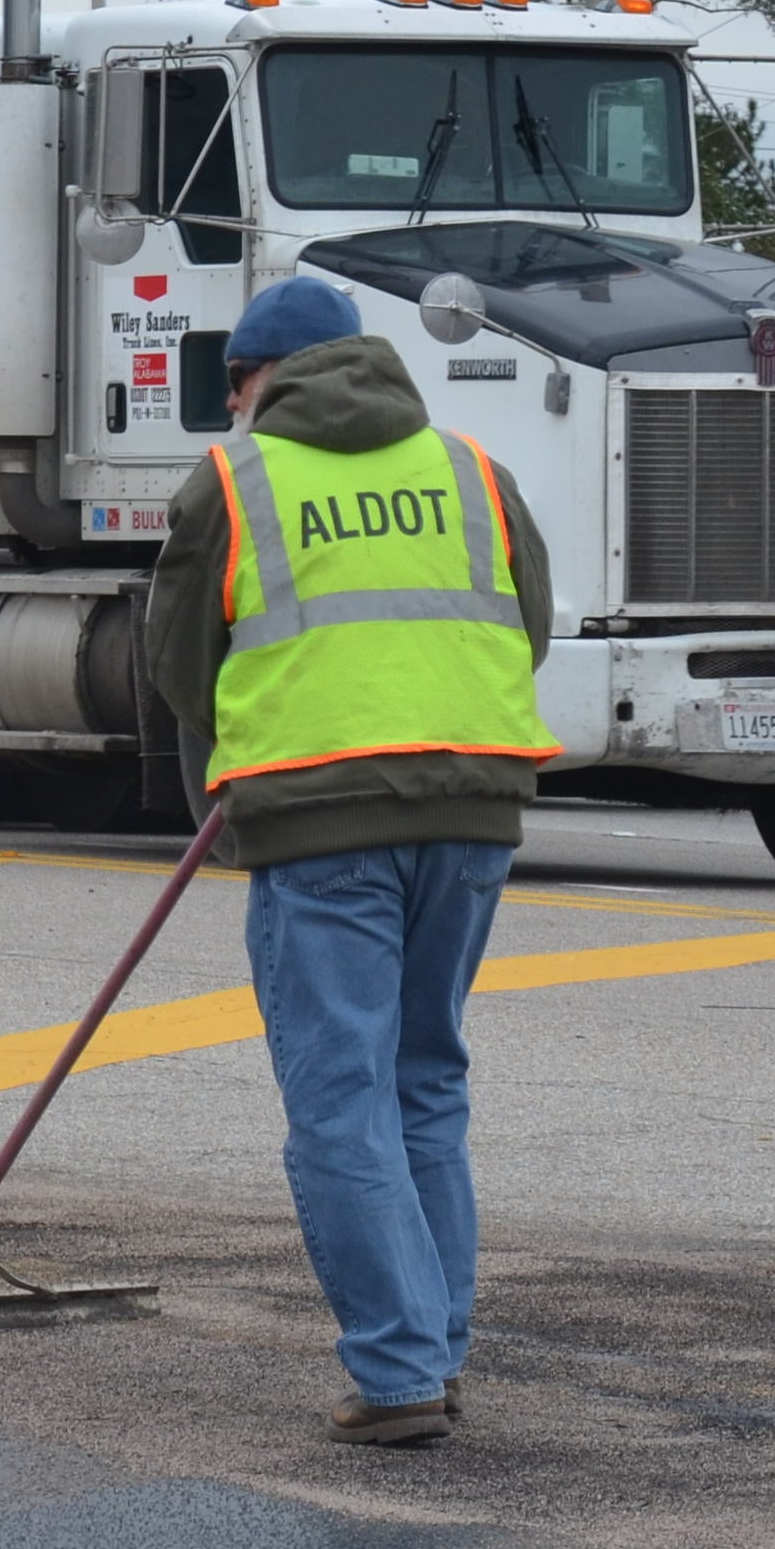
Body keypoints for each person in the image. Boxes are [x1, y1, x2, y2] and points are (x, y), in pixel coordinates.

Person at [144, 271, 555, 1447]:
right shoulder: (474, 471)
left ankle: (397, 1374)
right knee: (424, 1080)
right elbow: (522, 625)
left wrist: (263, 746)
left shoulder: (234, 477)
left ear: (250, 383)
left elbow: (179, 663)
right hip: (472, 810)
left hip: (322, 822)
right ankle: (433, 1349)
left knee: (338, 1100)